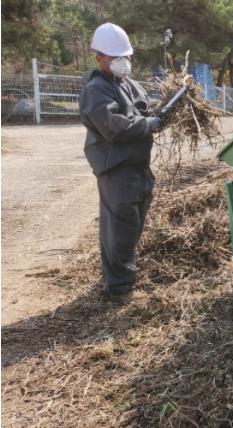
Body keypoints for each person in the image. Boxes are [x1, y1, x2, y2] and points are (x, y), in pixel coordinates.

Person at [79, 23, 161, 304]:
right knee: (120, 229)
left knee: (134, 223)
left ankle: (119, 275)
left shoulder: (130, 85)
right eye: (115, 57)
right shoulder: (96, 90)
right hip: (116, 169)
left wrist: (163, 112)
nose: (122, 61)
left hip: (139, 166)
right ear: (99, 57)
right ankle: (120, 289)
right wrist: (149, 124)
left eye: (125, 56)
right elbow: (114, 126)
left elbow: (145, 110)